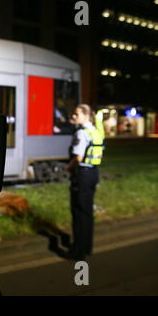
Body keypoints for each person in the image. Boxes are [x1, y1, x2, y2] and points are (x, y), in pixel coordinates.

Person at [66, 104, 104, 261]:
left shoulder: (81, 133)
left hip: (81, 175)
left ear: (86, 116)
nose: (74, 117)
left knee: (78, 212)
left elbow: (79, 157)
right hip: (93, 173)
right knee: (87, 213)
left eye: (77, 114)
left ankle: (78, 251)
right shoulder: (95, 131)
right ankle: (87, 247)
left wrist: (68, 167)